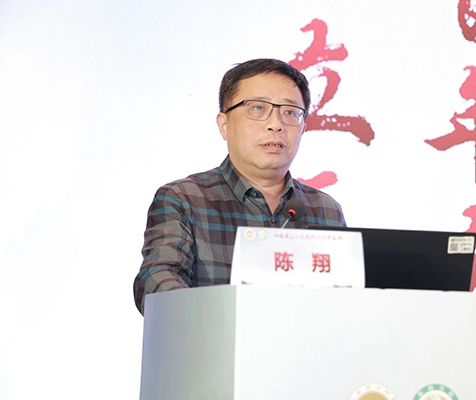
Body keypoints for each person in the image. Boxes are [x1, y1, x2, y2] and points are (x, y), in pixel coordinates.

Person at [133, 59, 346, 314]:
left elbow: (346, 299)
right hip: (213, 338)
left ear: (302, 128)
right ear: (224, 125)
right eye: (257, 108)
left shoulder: (325, 210)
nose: (276, 124)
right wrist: (214, 316)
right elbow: (156, 279)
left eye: (290, 112)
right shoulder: (184, 199)